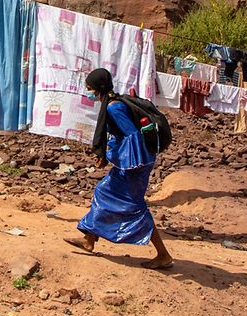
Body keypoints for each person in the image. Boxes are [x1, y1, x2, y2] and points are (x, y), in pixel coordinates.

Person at [64, 68, 174, 269]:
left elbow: (132, 136)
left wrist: (114, 157)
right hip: (133, 162)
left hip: (135, 164)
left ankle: (163, 255)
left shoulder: (113, 108)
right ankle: (89, 240)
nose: (88, 92)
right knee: (103, 191)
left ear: (99, 89)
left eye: (89, 88)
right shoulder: (114, 102)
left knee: (134, 206)